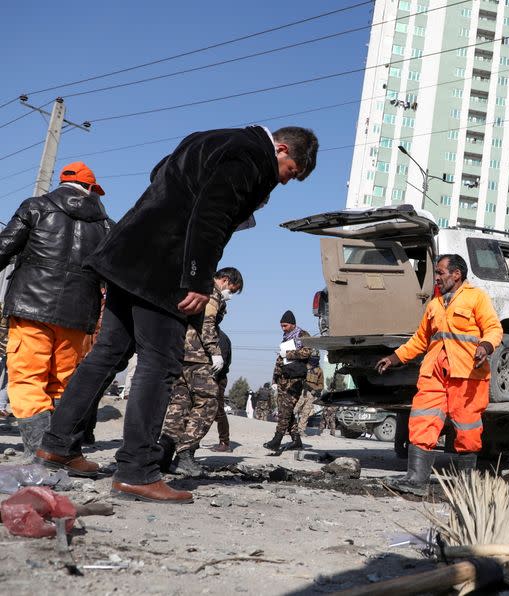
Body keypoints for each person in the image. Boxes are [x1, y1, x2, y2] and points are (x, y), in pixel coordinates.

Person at [37, 126, 318, 504]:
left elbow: (160, 173)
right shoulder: (251, 156)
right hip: (163, 266)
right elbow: (212, 214)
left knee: (108, 354)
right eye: (290, 172)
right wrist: (199, 279)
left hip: (128, 251)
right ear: (280, 149)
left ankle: (58, 444)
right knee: (160, 364)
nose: (284, 182)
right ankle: (136, 470)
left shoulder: (213, 138)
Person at [0, 163, 111, 458]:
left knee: (27, 378)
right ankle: (62, 448)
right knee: (64, 383)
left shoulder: (36, 206)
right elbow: (114, 272)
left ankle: (40, 450)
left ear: (62, 183)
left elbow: (4, 247)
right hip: (77, 316)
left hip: (31, 306)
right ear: (90, 188)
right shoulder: (105, 224)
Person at [376, 254, 503, 495]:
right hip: (434, 373)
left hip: (467, 374)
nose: (436, 277)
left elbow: (494, 328)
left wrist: (485, 347)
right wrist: (394, 358)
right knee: (422, 420)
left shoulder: (476, 297)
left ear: (457, 275)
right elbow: (420, 340)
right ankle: (416, 480)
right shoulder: (434, 304)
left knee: (467, 429)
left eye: (440, 273)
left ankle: (466, 486)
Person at [159, 268, 242, 476]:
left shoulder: (194, 287)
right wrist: (215, 352)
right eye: (232, 290)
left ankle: (163, 454)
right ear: (224, 280)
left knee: (179, 405)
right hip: (197, 357)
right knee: (208, 402)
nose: (230, 295)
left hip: (179, 355)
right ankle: (185, 454)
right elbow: (207, 324)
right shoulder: (211, 294)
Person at [264, 310, 312, 451]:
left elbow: (307, 352)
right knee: (287, 411)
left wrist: (289, 354)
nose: (283, 328)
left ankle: (277, 439)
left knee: (285, 410)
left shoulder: (302, 335)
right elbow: (280, 360)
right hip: (283, 379)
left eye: (285, 326)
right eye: (282, 326)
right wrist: (275, 378)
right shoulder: (286, 338)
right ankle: (296, 440)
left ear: (292, 324)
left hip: (295, 380)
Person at [210, 329, 233, 452]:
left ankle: (225, 442)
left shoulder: (221, 338)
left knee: (218, 410)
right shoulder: (209, 335)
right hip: (206, 377)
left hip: (218, 378)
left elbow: (221, 363)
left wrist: (213, 377)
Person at [294, 353, 324, 436]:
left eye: (316, 358)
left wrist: (316, 390)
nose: (315, 359)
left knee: (306, 412)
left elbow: (321, 384)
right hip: (302, 392)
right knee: (295, 410)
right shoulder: (304, 366)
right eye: (313, 357)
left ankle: (301, 430)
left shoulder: (319, 370)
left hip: (311, 394)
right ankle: (288, 428)